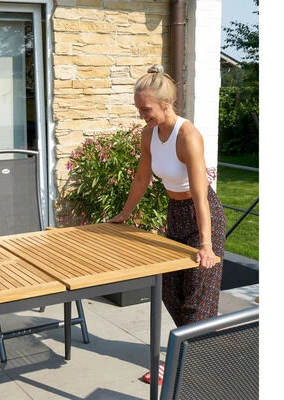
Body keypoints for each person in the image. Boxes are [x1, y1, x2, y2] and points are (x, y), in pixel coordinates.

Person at [106, 64, 227, 384]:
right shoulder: (149, 134)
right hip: (176, 214)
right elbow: (142, 178)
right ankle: (208, 329)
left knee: (197, 297)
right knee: (170, 289)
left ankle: (181, 365)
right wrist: (124, 214)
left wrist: (206, 244)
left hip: (203, 217)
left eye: (145, 109)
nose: (141, 115)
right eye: (138, 109)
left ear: (166, 104)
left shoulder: (187, 136)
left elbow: (200, 195)